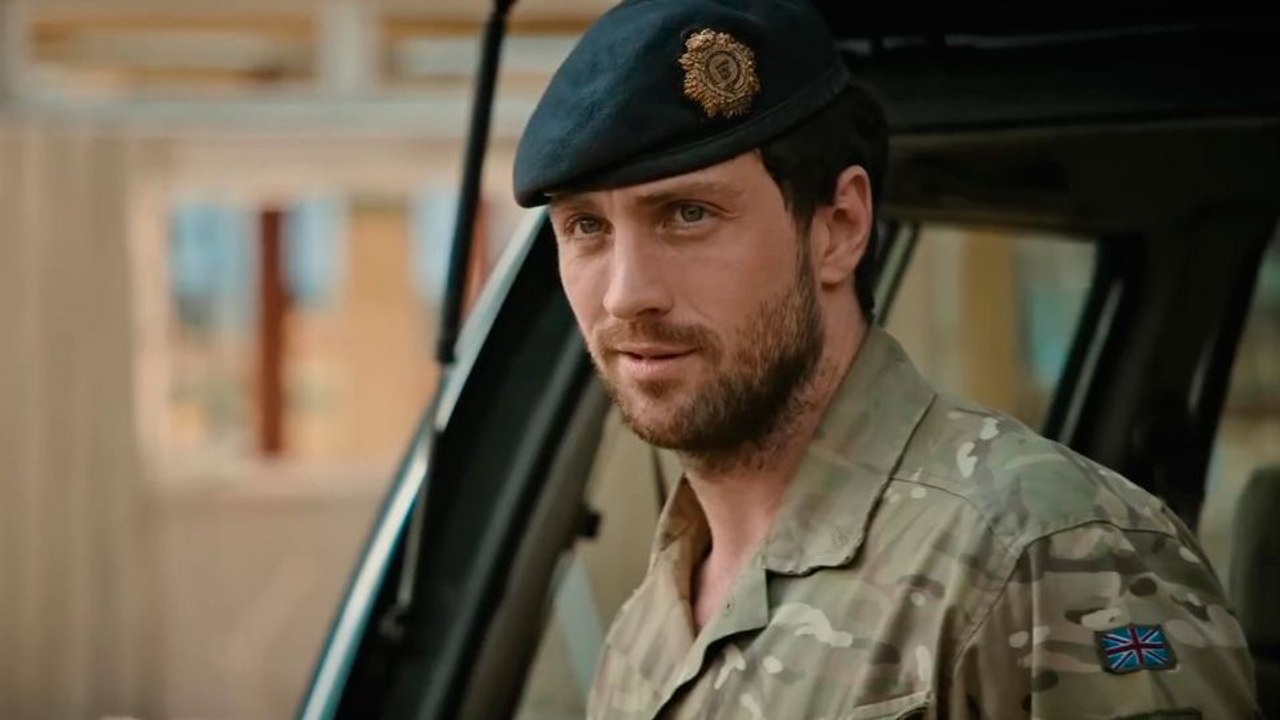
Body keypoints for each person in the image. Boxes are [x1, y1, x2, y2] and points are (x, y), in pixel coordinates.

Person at [511, 0, 1258, 716]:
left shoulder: (1048, 556)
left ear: (839, 226)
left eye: (689, 214)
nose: (626, 295)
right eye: (585, 227)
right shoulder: (647, 629)